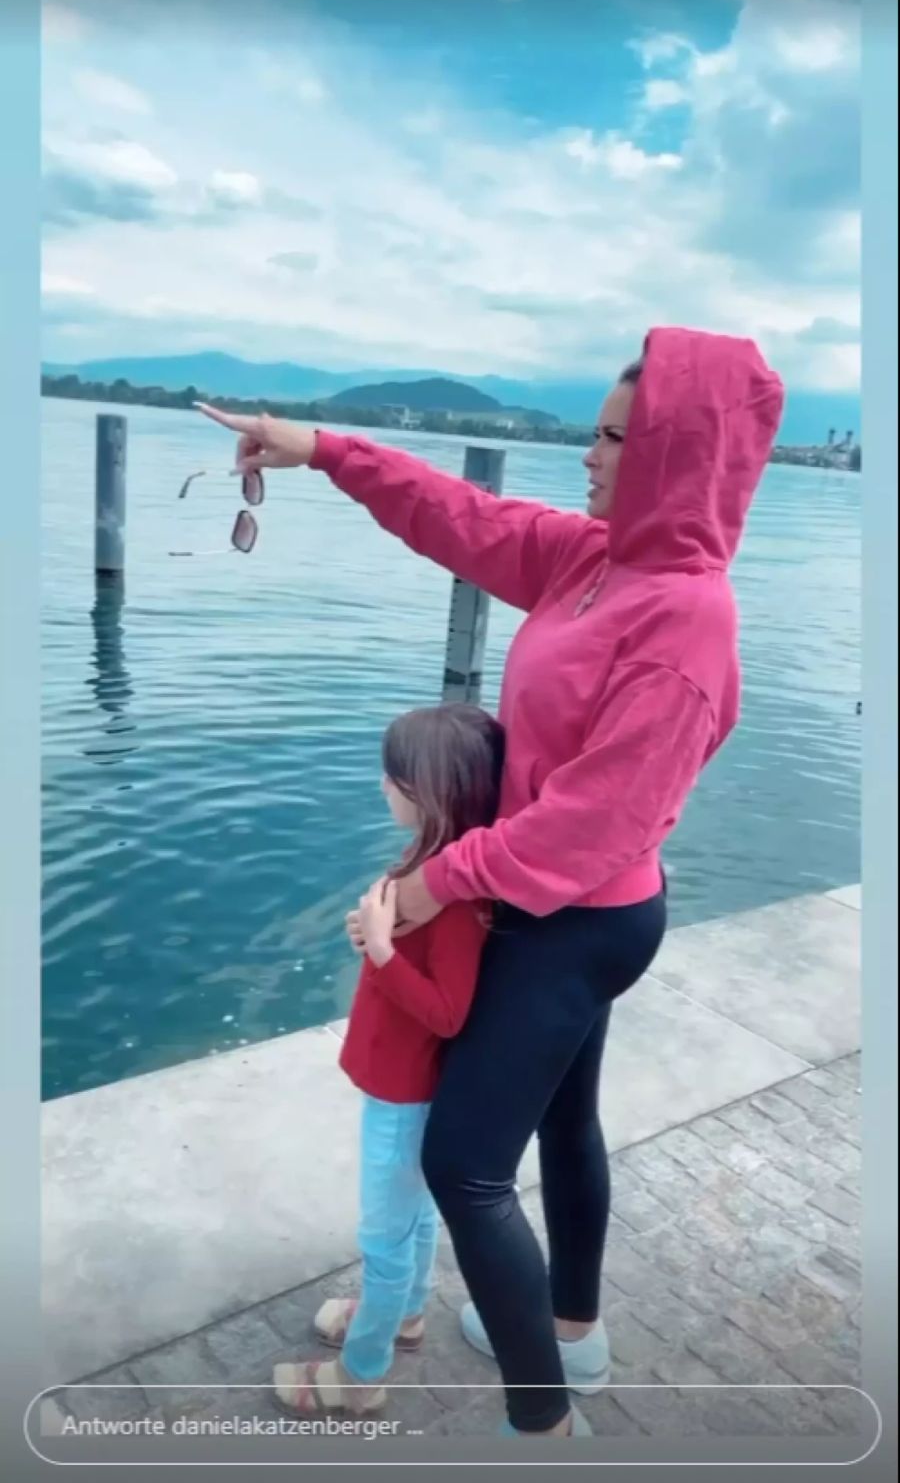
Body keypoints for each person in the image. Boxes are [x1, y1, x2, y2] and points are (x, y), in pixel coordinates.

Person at [200, 325, 785, 1437]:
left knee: (464, 1166)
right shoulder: (596, 560)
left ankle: (542, 1423)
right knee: (565, 1122)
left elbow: (594, 825)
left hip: (575, 922)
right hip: (549, 906)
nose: (590, 455)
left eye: (616, 438)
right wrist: (318, 447)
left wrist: (427, 889)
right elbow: (461, 519)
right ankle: (574, 1332)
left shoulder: (687, 617)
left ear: (680, 454)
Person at [271, 703, 504, 1417]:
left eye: (392, 777)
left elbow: (448, 1012)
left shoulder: (459, 903)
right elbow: (406, 937)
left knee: (384, 1233)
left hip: (405, 1095)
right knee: (413, 1213)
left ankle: (361, 1375)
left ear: (427, 793)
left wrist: (380, 949)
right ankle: (405, 1314)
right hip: (395, 1083)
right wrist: (374, 928)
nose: (382, 787)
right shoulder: (431, 865)